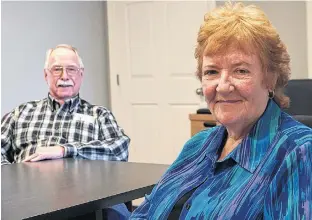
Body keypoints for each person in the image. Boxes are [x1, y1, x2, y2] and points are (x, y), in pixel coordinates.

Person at [130, 2, 312, 219]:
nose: (223, 86)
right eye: (212, 72)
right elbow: (146, 211)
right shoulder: (198, 144)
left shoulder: (298, 153)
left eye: (241, 70)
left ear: (270, 78)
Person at [1, 44, 131, 219]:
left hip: (87, 202)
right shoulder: (22, 113)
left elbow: (119, 149)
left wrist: (66, 150)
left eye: (71, 69)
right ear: (45, 75)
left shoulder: (98, 115)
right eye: (57, 69)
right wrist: (13, 180)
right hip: (28, 204)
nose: (64, 76)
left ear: (81, 75)